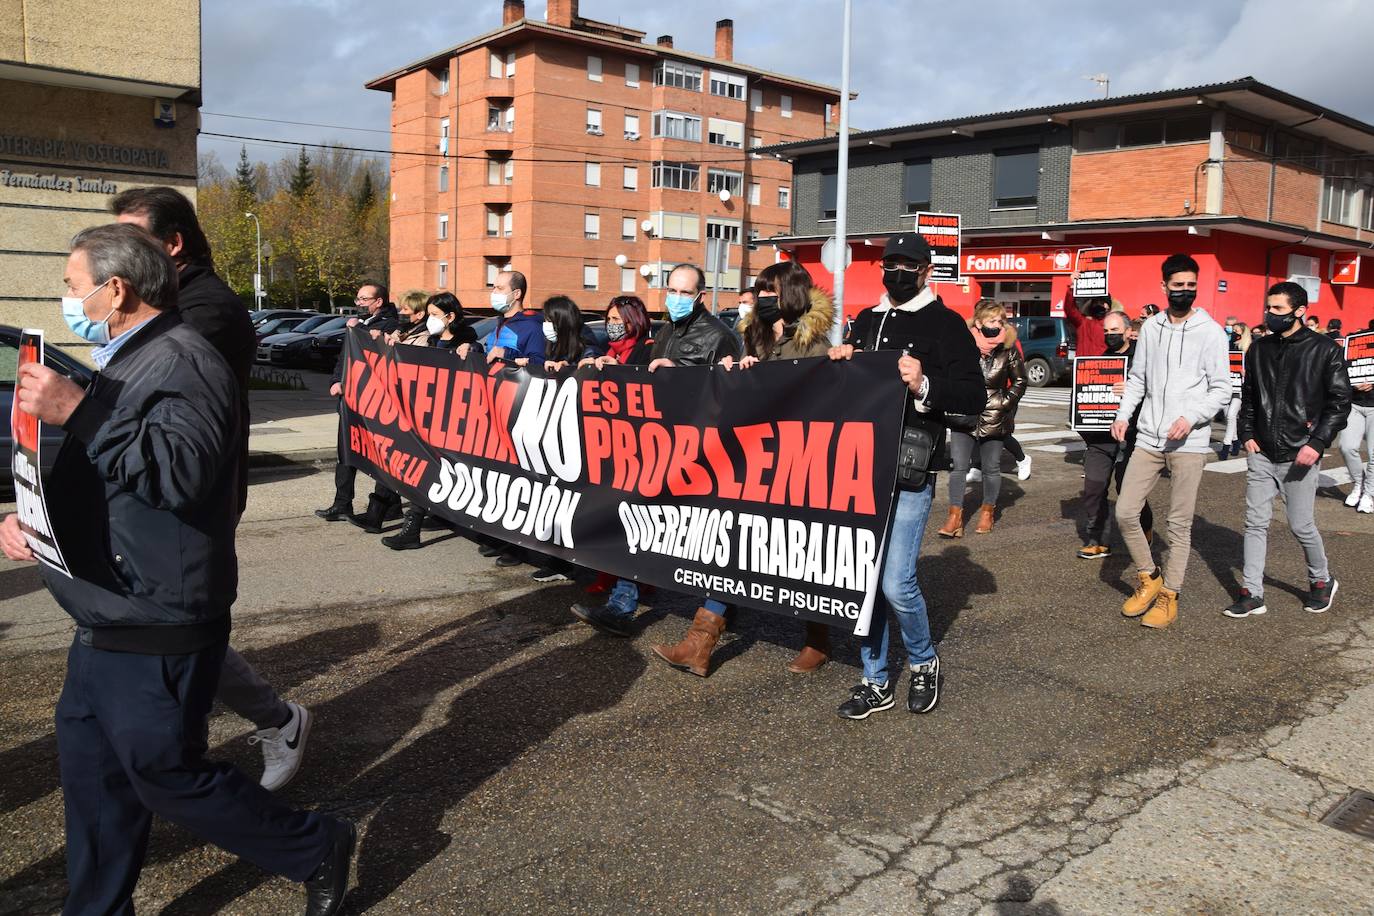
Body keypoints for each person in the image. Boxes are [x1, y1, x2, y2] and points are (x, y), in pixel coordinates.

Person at [0, 224, 354, 915]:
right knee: (95, 782)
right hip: (104, 609)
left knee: (166, 775)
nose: (68, 301)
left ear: (117, 290)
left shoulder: (182, 360)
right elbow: (108, 478)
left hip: (157, 612)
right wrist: (31, 516)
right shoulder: (127, 357)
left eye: (73, 287)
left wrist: (79, 413)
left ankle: (313, 845)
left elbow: (181, 475)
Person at [112, 186, 309, 792]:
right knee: (160, 625)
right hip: (152, 487)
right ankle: (219, 745)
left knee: (184, 628)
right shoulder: (161, 302)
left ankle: (226, 751)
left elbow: (154, 399)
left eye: (132, 242)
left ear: (172, 244)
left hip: (192, 496)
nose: (115, 261)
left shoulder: (207, 311)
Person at [828, 233, 986, 719]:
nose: (895, 271)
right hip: (858, 467)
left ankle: (922, 661)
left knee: (896, 583)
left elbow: (972, 396)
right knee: (864, 582)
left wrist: (924, 384)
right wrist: (838, 366)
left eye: (906, 264)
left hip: (909, 468)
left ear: (925, 271)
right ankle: (875, 680)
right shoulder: (869, 320)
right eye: (888, 262)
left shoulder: (946, 324)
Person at [653, 261, 837, 675]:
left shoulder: (813, 342)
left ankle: (818, 637)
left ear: (790, 293)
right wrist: (735, 374)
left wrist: (771, 377)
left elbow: (821, 402)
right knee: (733, 542)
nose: (763, 298)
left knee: (797, 552)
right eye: (759, 290)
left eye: (770, 291)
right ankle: (700, 645)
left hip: (794, 462)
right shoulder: (748, 334)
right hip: (751, 458)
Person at [630, 264, 741, 676]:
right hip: (669, 449)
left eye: (683, 291)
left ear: (699, 296)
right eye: (670, 289)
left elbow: (733, 396)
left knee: (717, 539)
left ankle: (703, 637)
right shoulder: (665, 333)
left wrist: (685, 378)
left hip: (708, 454)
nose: (674, 297)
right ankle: (625, 601)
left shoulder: (720, 335)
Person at [1110, 254, 1231, 629]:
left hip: (1189, 444)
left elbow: (1222, 389)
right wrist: (1123, 414)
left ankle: (1169, 594)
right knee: (1126, 511)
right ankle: (1149, 577)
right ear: (1164, 287)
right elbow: (1139, 378)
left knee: (1179, 524)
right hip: (1148, 436)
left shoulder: (1210, 331)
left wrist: (1191, 417)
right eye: (1177, 286)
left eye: (1191, 286)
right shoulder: (1151, 328)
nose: (1184, 292)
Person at [1225, 281, 1351, 618]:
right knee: (1255, 522)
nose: (1270, 314)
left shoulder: (1325, 349)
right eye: (1269, 307)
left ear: (1299, 311)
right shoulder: (1259, 349)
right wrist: (1246, 433)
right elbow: (1249, 396)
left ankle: (1322, 581)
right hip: (1263, 450)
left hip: (1301, 452)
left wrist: (1318, 442)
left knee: (1301, 525)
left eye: (1278, 309)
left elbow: (1340, 403)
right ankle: (1252, 592)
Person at [573, 296, 657, 600]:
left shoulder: (647, 351)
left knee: (629, 519)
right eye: (608, 320)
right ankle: (608, 574)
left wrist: (619, 368)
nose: (612, 326)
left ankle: (632, 581)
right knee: (607, 514)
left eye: (617, 320)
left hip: (637, 448)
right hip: (610, 445)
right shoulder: (608, 352)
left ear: (633, 320)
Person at [382, 292, 474, 550]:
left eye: (434, 315)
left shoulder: (466, 339)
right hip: (428, 417)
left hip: (455, 419)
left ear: (450, 316)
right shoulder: (432, 340)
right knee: (424, 470)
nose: (431, 320)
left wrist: (472, 350)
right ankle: (412, 528)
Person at [937, 300, 1027, 537]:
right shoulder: (963, 347)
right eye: (991, 321)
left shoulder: (1008, 351)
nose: (997, 326)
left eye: (1000, 321)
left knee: (991, 467)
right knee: (958, 466)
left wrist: (1003, 403)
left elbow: (1020, 381)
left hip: (994, 416)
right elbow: (950, 375)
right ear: (978, 323)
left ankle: (987, 512)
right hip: (964, 413)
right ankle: (954, 517)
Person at [316, 281, 400, 525]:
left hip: (373, 401)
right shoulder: (361, 324)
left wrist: (359, 332)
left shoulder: (390, 325)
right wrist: (336, 380)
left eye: (365, 299)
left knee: (379, 455)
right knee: (346, 452)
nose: (359, 303)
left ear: (378, 302)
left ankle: (388, 505)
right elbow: (346, 358)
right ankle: (342, 504)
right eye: (358, 299)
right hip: (351, 398)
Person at [1076, 310, 1152, 559]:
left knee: (1127, 488)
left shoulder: (1143, 360)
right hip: (1101, 437)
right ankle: (1097, 539)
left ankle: (1145, 528)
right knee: (1093, 488)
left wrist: (1131, 391)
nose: (1110, 335)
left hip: (1133, 436)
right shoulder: (1101, 361)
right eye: (1107, 331)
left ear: (1129, 331)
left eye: (1115, 330)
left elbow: (1155, 397)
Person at [483, 269, 545, 365]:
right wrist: (473, 349)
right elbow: (489, 356)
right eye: (493, 288)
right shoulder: (499, 324)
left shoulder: (532, 327)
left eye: (500, 288)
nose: (494, 292)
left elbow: (539, 363)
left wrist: (507, 354)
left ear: (516, 294)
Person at [1340, 346, 1374, 513]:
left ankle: (1369, 493)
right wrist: (1353, 383)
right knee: (1347, 447)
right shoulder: (1357, 342)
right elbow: (1342, 371)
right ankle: (1359, 484)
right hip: (1355, 404)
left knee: (1373, 453)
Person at [1219, 321, 1252, 458]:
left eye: (1237, 331)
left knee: (1232, 415)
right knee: (1229, 417)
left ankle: (1226, 446)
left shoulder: (1249, 349)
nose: (1234, 333)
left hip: (1241, 386)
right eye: (1233, 331)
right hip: (1229, 383)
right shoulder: (1228, 346)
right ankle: (1236, 441)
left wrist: (1247, 373)